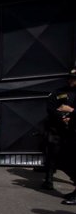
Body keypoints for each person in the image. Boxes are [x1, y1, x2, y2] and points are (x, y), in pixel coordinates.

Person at [43, 68, 76, 204]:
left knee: (70, 160)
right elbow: (51, 107)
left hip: (73, 130)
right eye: (70, 78)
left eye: (74, 79)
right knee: (54, 155)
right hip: (58, 129)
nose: (71, 81)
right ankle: (49, 179)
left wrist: (71, 113)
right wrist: (62, 118)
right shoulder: (59, 92)